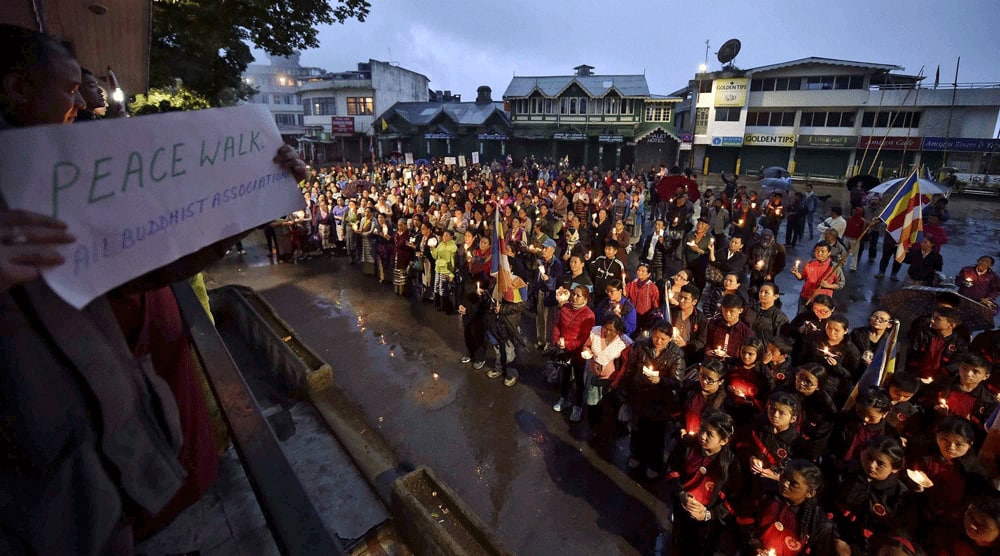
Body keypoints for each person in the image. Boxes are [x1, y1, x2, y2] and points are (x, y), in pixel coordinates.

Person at [0, 25, 309, 556]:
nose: (85, 102)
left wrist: (255, 196)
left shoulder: (61, 190)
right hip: (34, 500)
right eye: (70, 88)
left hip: (106, 470)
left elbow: (145, 265)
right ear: (18, 89)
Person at [619, 322, 686, 478]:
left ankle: (654, 464)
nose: (658, 341)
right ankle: (636, 455)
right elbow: (630, 367)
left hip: (660, 402)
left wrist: (661, 381)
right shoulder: (641, 346)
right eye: (656, 337)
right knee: (637, 429)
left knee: (655, 434)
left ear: (670, 339)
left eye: (663, 338)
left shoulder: (676, 354)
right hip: (639, 395)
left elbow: (677, 382)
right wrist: (625, 388)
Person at [790, 242, 845, 313]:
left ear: (829, 253)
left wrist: (828, 285)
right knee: (800, 319)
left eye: (823, 251)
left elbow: (841, 284)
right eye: (817, 251)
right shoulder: (809, 263)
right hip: (805, 297)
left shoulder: (835, 267)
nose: (819, 253)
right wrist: (796, 272)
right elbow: (801, 277)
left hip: (822, 302)